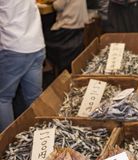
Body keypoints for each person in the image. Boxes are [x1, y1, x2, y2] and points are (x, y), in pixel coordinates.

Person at [0, 0, 45, 132]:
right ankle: (41, 134)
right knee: (34, 97)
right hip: (36, 44)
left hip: (13, 47)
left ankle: (8, 142)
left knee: (3, 98)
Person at [45, 0, 89, 74]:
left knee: (44, 38)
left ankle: (51, 66)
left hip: (67, 28)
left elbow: (57, 6)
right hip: (79, 26)